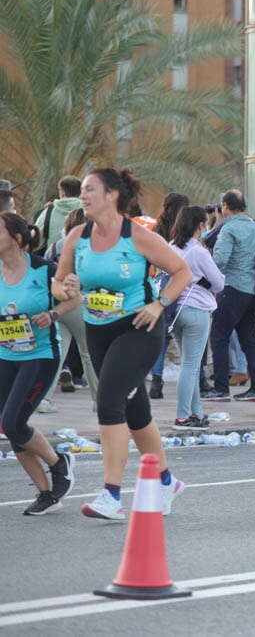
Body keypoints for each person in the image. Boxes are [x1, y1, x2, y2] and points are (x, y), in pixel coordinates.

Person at [53, 168, 192, 520]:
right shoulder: (76, 236)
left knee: (109, 402)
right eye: (82, 190)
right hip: (98, 330)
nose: (83, 196)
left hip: (139, 328)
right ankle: (166, 481)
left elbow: (182, 272)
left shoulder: (137, 236)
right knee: (135, 413)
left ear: (112, 194)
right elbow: (58, 285)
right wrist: (66, 288)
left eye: (90, 190)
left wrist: (159, 304)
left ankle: (111, 496)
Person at [0, 212, 77, 515]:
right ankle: (46, 492)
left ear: (17, 239)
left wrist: (54, 315)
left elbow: (74, 298)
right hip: (5, 357)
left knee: (12, 421)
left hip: (39, 356)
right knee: (11, 425)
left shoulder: (44, 270)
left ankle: (60, 464)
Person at [168, 206, 225, 431]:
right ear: (200, 225)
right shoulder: (198, 251)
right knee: (191, 366)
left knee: (187, 364)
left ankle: (197, 413)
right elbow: (219, 283)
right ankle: (183, 416)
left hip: (174, 309)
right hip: (196, 310)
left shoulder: (171, 247)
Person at [203, 190, 255, 402]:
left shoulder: (228, 229)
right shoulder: (254, 227)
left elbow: (218, 260)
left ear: (225, 206)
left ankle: (220, 388)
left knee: (218, 337)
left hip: (231, 287)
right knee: (249, 339)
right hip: (249, 290)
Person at [40, 208, 98, 408]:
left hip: (56, 302)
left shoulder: (56, 246)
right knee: (89, 353)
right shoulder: (90, 245)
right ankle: (99, 400)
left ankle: (43, 398)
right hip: (80, 302)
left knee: (58, 352)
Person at [147, 192, 190, 400]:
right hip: (184, 282)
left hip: (161, 280)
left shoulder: (158, 228)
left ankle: (157, 379)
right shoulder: (185, 227)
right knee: (190, 334)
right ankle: (199, 379)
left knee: (163, 334)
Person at [33, 175, 82, 257]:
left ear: (62, 192)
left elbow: (35, 238)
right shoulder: (89, 211)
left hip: (55, 261)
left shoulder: (49, 211)